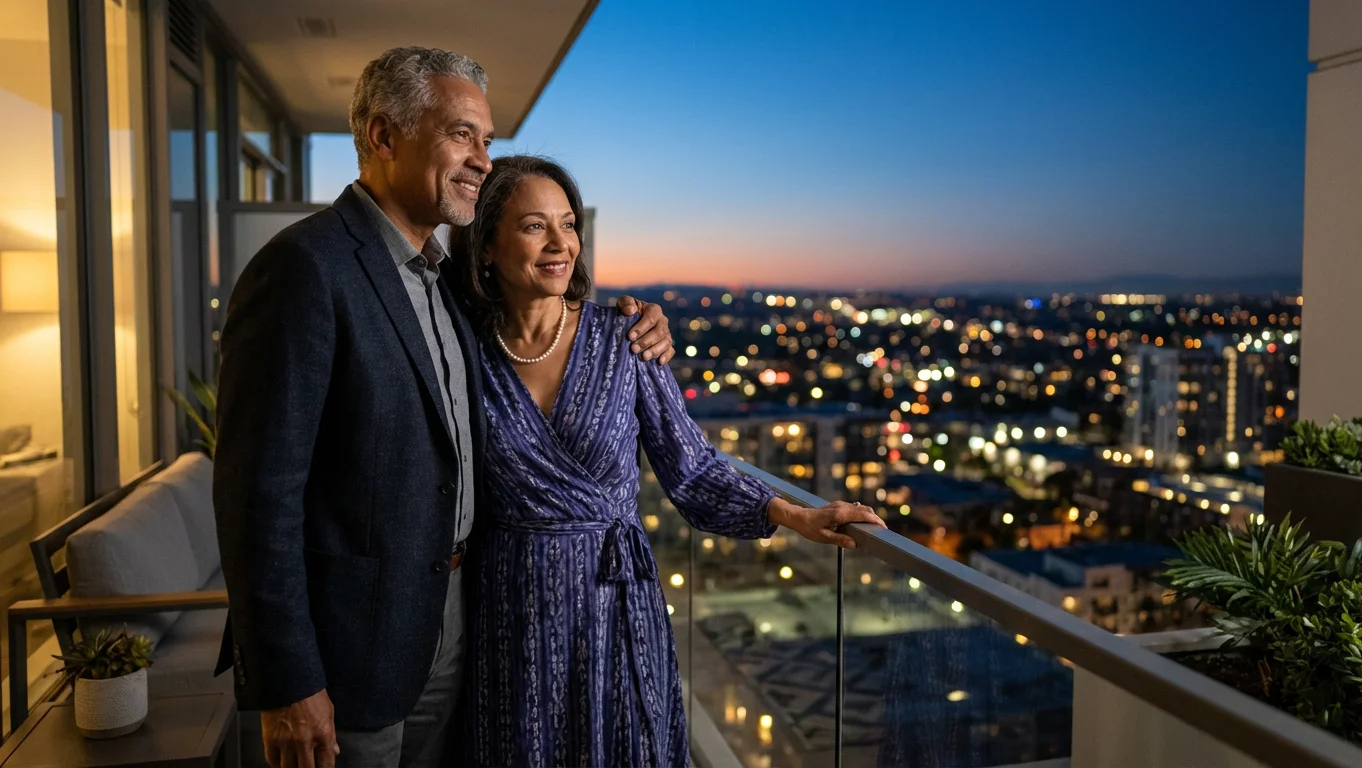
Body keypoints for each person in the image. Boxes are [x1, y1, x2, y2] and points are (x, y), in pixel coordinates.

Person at [212, 48, 678, 768]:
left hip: (458, 628)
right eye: (462, 134)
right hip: (349, 655)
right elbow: (256, 498)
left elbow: (536, 316)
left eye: (487, 141)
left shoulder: (442, 285)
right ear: (383, 136)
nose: (483, 161)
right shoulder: (304, 268)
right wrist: (287, 682)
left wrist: (638, 322)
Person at [449, 154, 885, 767]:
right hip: (510, 609)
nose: (560, 244)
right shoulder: (460, 347)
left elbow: (692, 469)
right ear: (486, 247)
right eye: (532, 226)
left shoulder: (624, 338)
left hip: (616, 600)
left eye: (569, 224)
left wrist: (793, 515)